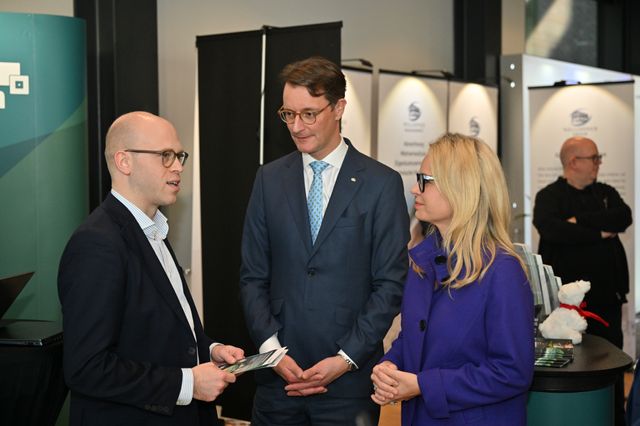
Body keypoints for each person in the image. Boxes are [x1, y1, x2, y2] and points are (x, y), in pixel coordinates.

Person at [239, 56, 409, 425]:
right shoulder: (269, 180)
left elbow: (390, 284)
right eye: (288, 114)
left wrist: (345, 359)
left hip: (348, 386)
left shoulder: (381, 184)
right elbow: (253, 276)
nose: (296, 126)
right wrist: (271, 352)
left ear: (339, 108)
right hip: (278, 383)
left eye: (309, 114)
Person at [58, 111, 244, 426]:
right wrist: (188, 383)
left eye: (179, 156)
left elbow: (154, 331)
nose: (178, 167)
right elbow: (87, 367)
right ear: (124, 161)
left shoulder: (152, 230)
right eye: (165, 156)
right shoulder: (97, 243)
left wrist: (209, 349)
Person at [371, 133, 534, 425]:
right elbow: (413, 338)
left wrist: (423, 385)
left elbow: (511, 372)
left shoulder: (502, 271)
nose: (415, 189)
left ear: (461, 188)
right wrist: (390, 365)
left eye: (425, 180)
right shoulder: (423, 262)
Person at [533, 136, 632, 348]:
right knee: (572, 359)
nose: (599, 163)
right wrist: (599, 234)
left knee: (611, 356)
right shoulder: (548, 197)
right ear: (574, 162)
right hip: (566, 305)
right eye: (594, 158)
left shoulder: (606, 193)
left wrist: (579, 220)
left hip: (607, 300)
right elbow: (553, 230)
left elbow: (623, 217)